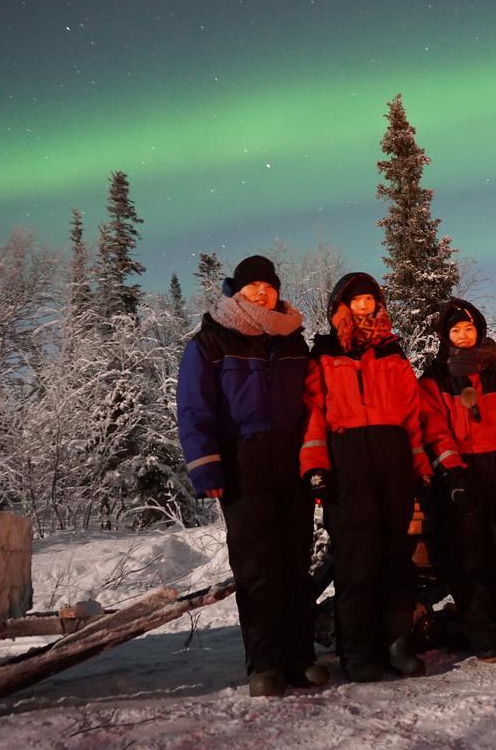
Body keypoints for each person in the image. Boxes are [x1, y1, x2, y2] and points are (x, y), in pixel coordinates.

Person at [176, 255, 328, 697]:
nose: (262, 293)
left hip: (292, 460)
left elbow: (314, 403)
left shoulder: (293, 341)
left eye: (269, 285)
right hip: (243, 463)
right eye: (253, 286)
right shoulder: (211, 342)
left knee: (296, 564)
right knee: (257, 565)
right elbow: (193, 408)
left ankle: (301, 657)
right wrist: (206, 467)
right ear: (236, 291)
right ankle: (264, 663)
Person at [300, 272, 431, 681]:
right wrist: (316, 466)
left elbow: (412, 419)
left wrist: (422, 469)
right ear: (340, 306)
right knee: (356, 563)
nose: (364, 307)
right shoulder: (322, 355)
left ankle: (397, 645)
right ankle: (358, 654)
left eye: (370, 300)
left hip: (393, 463)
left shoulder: (394, 355)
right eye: (355, 301)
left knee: (396, 560)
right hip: (348, 465)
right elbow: (312, 416)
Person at [418, 299, 496, 662]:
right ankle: (483, 634)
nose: (463, 335)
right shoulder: (435, 377)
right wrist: (452, 472)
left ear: (480, 331)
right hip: (461, 477)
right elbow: (435, 428)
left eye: (468, 329)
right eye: (455, 330)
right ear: (445, 336)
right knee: (470, 561)